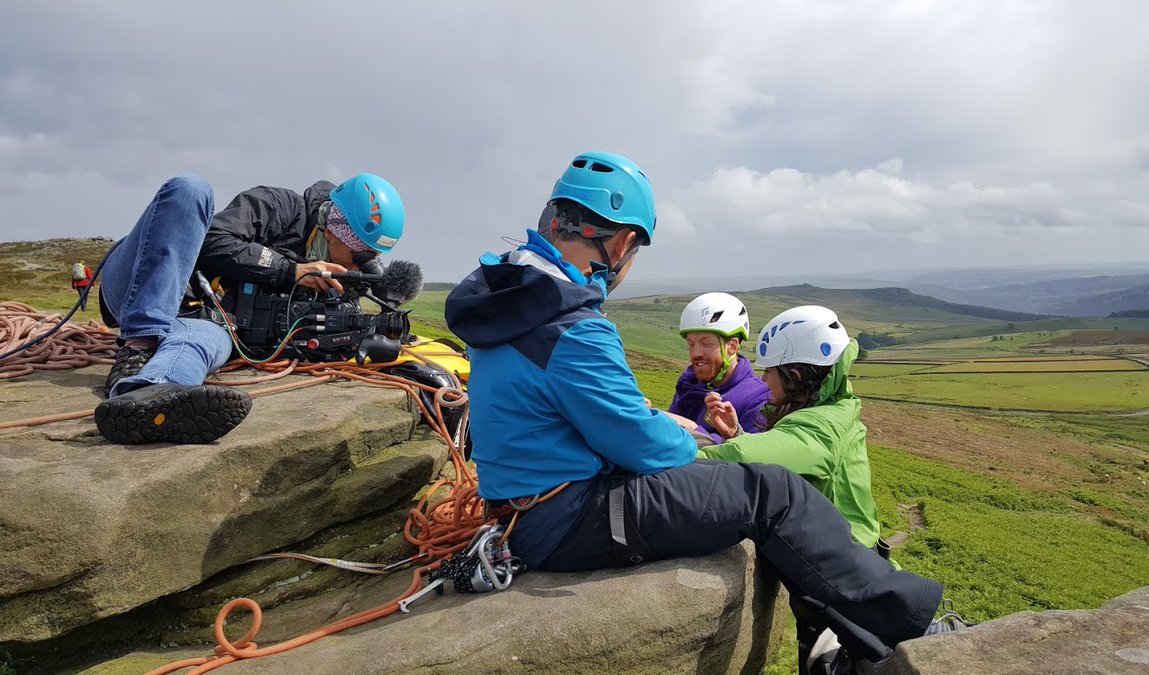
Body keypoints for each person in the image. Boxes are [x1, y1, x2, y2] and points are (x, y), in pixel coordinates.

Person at [444, 151, 953, 667]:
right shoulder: (573, 327)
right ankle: (914, 623)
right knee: (772, 494)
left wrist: (648, 422)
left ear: (553, 221)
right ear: (622, 243)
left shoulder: (506, 298)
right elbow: (640, 445)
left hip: (526, 509)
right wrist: (688, 437)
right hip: (567, 517)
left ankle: (848, 640)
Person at [95, 173, 404, 445]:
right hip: (138, 286)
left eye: (373, 255)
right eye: (362, 252)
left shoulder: (339, 281)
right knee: (191, 189)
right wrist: (291, 271)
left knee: (205, 343)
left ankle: (144, 398)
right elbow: (209, 241)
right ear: (333, 229)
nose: (360, 262)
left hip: (203, 319)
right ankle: (138, 344)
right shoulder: (278, 206)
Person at [698, 305, 885, 555]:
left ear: (794, 375)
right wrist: (737, 434)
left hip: (844, 566)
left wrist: (667, 457)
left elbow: (741, 457)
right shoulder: (835, 408)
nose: (763, 380)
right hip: (850, 554)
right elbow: (786, 454)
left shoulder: (821, 427)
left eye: (769, 370)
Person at [669, 292, 770, 443]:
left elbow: (750, 456)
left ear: (732, 347)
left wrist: (693, 429)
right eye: (691, 344)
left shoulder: (758, 397)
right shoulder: (688, 384)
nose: (695, 353)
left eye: (706, 343)